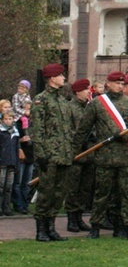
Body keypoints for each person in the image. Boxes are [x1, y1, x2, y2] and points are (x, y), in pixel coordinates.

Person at [74, 71, 128, 241]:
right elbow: (84, 128)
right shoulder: (97, 103)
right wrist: (75, 149)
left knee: (127, 194)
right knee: (102, 194)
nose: (120, 86)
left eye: (122, 83)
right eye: (117, 83)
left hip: (125, 156)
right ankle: (95, 226)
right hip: (104, 156)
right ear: (108, 84)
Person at [31, 64, 74, 242]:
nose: (63, 78)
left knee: (59, 194)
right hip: (49, 156)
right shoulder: (41, 100)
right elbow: (37, 129)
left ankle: (51, 227)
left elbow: (68, 129)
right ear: (52, 78)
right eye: (61, 75)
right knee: (46, 193)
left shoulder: (63, 101)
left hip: (64, 154)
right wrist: (41, 154)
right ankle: (41, 229)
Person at [64, 78, 95, 233]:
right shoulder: (70, 108)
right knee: (73, 188)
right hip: (76, 154)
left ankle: (79, 216)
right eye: (86, 89)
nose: (89, 92)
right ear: (78, 92)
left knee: (85, 188)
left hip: (89, 153)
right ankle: (71, 219)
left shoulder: (91, 107)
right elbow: (68, 129)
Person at [12, 101, 33, 214]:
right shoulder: (18, 123)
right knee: (18, 182)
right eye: (27, 109)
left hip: (31, 155)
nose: (29, 111)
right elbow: (14, 139)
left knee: (27, 183)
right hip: (21, 155)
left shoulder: (34, 123)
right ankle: (18, 205)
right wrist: (21, 140)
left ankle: (25, 204)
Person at [0, 110, 21, 216]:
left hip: (12, 162)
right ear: (2, 120)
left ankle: (7, 207)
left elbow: (17, 148)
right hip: (2, 162)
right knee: (1, 186)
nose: (8, 121)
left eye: (10, 119)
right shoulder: (1, 131)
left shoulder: (15, 132)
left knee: (9, 187)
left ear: (13, 120)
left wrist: (17, 163)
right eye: (6, 119)